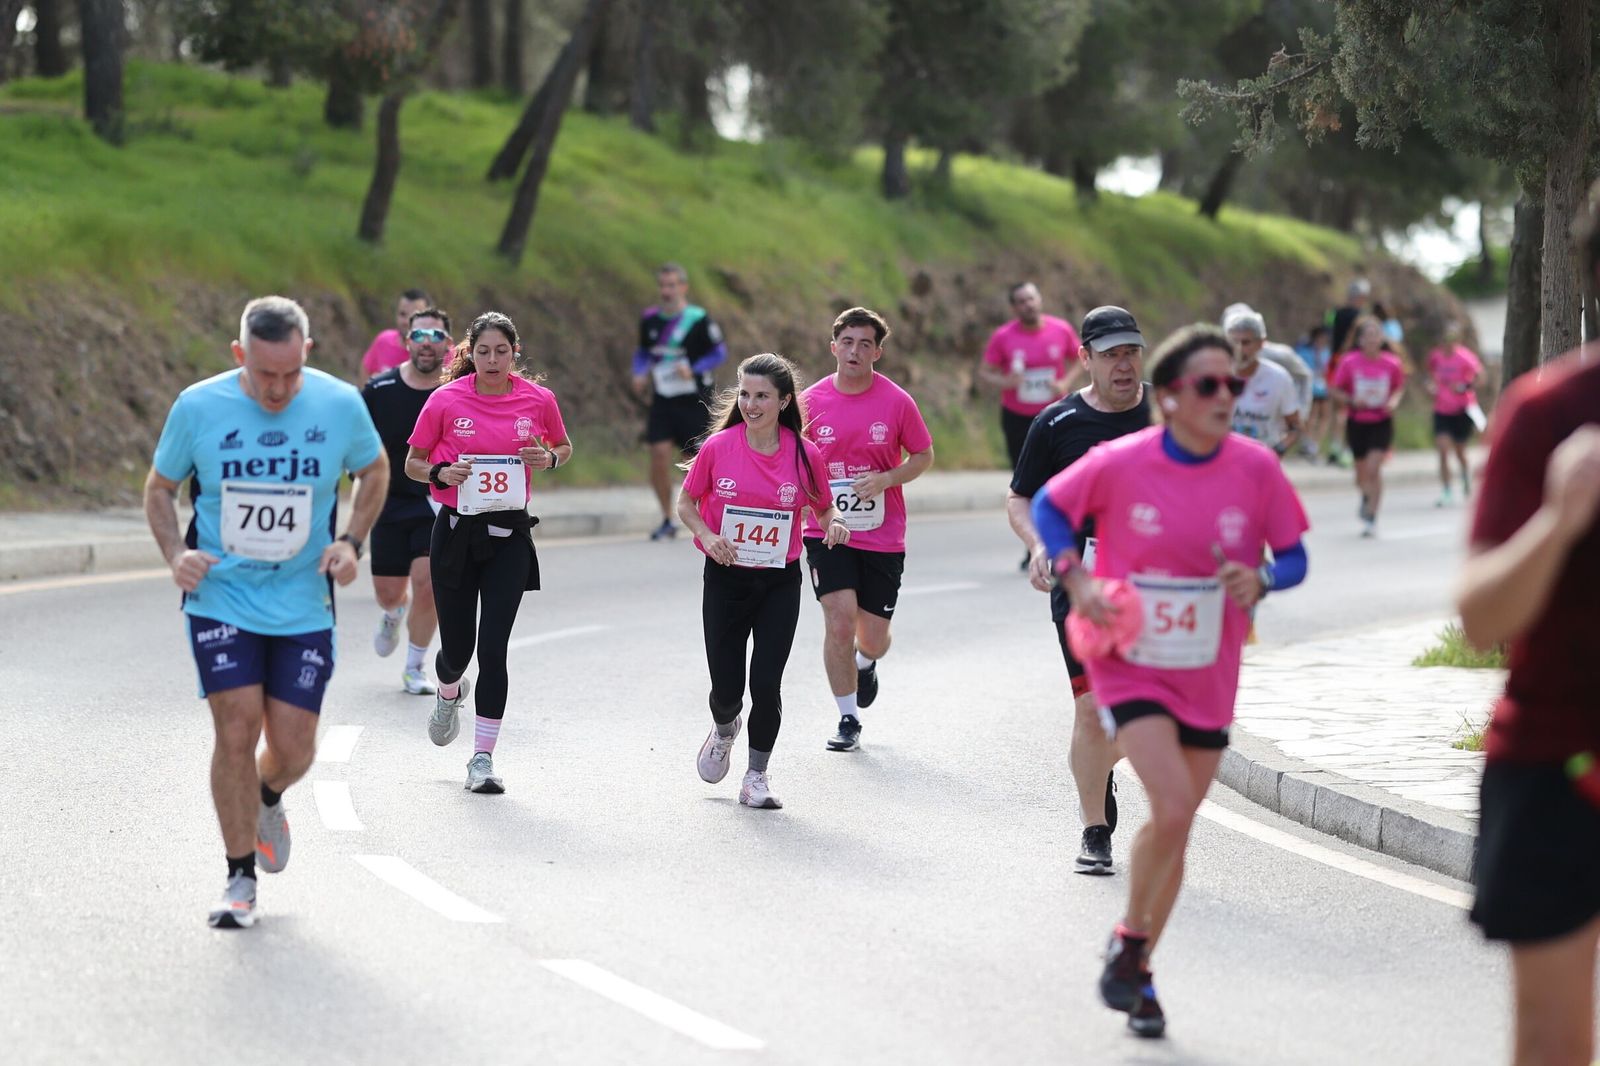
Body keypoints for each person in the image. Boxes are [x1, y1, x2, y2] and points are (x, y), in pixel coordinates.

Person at [1032, 324, 1310, 1038]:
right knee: (1175, 800)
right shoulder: (1121, 462)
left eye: (1235, 384)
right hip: (1130, 659)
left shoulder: (1255, 468)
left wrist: (1265, 577)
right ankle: (1132, 951)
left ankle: (1136, 959)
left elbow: (1297, 557)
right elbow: (1048, 508)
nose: (1229, 395)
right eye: (1212, 385)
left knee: (1177, 825)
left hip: (1208, 671)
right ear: (1176, 398)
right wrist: (1073, 573)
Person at [143, 296, 387, 929]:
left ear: (306, 353)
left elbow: (375, 468)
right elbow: (159, 488)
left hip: (304, 602)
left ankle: (268, 795)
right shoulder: (199, 406)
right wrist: (176, 555)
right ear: (238, 355)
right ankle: (239, 879)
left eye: (289, 374)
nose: (277, 389)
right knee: (235, 727)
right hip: (221, 596)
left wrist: (351, 541)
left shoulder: (337, 404)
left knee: (294, 748)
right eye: (262, 374)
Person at [1458, 189, 1600, 1066]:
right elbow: (1480, 618)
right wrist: (1561, 516)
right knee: (1554, 1047)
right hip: (1558, 765)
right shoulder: (1551, 414)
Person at [1007, 304, 1151, 874]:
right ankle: (1095, 830)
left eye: (1132, 352)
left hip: (1162, 587)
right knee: (1092, 710)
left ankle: (1103, 766)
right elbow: (1020, 496)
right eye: (1111, 354)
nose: (1124, 365)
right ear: (1084, 358)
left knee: (1146, 714)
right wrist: (1042, 544)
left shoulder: (1170, 413)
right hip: (1083, 580)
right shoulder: (1057, 424)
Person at [405, 311, 572, 794]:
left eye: (502, 351)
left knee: (493, 649)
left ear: (514, 353)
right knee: (458, 651)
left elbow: (563, 445)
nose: (493, 360)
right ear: (469, 354)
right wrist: (440, 474)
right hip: (456, 533)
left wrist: (551, 458)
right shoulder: (445, 400)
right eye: (483, 351)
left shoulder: (538, 400)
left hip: (509, 538)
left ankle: (482, 758)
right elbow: (413, 462)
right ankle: (448, 690)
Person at [677, 353, 850, 809]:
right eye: (746, 395)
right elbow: (687, 504)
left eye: (762, 397)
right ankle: (724, 727)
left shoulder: (803, 453)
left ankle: (756, 776)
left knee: (767, 683)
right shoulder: (719, 448)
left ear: (784, 401)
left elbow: (823, 505)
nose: (751, 405)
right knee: (727, 689)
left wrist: (833, 522)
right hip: (726, 578)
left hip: (778, 582)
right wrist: (708, 536)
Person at [801, 308, 935, 752]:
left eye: (865, 344)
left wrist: (885, 479)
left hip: (881, 532)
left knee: (872, 638)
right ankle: (847, 718)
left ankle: (865, 662)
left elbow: (922, 455)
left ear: (877, 351)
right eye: (847, 342)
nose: (854, 351)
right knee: (839, 622)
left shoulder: (897, 401)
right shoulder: (810, 402)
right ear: (833, 346)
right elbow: (794, 459)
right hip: (826, 529)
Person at [362, 306, 452, 694]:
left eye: (435, 337)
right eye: (419, 335)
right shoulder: (379, 390)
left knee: (429, 582)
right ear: (406, 341)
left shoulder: (456, 393)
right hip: (389, 499)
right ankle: (393, 614)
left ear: (448, 344)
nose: (427, 344)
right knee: (389, 591)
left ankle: (415, 667)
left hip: (436, 500)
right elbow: (359, 444)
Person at [632, 263, 728, 540]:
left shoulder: (698, 319)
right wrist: (639, 372)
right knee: (658, 454)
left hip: (695, 399)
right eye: (663, 285)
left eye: (672, 285)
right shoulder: (650, 319)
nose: (667, 291)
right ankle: (666, 518)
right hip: (664, 399)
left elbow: (719, 353)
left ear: (683, 287)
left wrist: (695, 368)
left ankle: (701, 517)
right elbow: (643, 352)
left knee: (693, 462)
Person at [979, 282, 1082, 470]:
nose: (1028, 304)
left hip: (1056, 411)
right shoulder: (1003, 336)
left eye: (1031, 298)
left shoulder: (1061, 329)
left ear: (1039, 300)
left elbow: (1081, 358)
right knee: (1023, 471)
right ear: (1014, 308)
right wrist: (1005, 381)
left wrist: (1065, 382)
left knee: (1060, 467)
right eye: (1021, 301)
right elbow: (985, 371)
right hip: (1017, 416)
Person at [1329, 316, 1407, 537]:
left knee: (1374, 469)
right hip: (1357, 421)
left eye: (1376, 335)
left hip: (1381, 421)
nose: (1372, 340)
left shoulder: (1392, 363)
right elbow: (1335, 389)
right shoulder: (1349, 361)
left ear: (1382, 339)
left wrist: (1393, 401)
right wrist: (1352, 401)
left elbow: (1399, 388)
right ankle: (1366, 496)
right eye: (1368, 336)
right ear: (1360, 340)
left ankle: (1372, 517)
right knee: (1360, 474)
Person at [1224, 307, 1303, 459]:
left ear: (1261, 343)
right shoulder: (1216, 376)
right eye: (1234, 342)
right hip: (1225, 461)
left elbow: (1296, 427)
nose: (1240, 349)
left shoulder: (1279, 378)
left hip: (1261, 461)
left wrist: (1277, 451)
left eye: (1246, 343)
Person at [1425, 324, 1484, 507]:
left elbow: (1481, 377)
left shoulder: (1465, 357)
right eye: (1444, 339)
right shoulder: (1435, 356)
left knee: (1460, 451)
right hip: (1441, 409)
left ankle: (1466, 477)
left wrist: (1465, 386)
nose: (1447, 343)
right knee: (1443, 451)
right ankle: (1446, 491)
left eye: (1451, 339)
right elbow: (1429, 374)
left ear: (1457, 340)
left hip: (1462, 409)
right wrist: (1430, 387)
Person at [1324, 278, 1372, 467]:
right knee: (1349, 409)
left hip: (1334, 360)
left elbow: (1328, 333)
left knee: (1337, 408)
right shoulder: (1362, 317)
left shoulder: (1333, 313)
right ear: (1361, 297)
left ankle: (1334, 447)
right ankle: (1345, 450)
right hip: (1351, 364)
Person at [361, 288, 433, 378]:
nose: (407, 321)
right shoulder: (383, 341)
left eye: (415, 315)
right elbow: (366, 369)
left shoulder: (443, 352)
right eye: (403, 314)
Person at [1295, 325, 1335, 461]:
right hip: (1310, 387)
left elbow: (1329, 369)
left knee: (1324, 415)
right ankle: (1307, 442)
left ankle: (1315, 444)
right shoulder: (1304, 351)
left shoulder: (1326, 352)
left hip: (1323, 386)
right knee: (1311, 415)